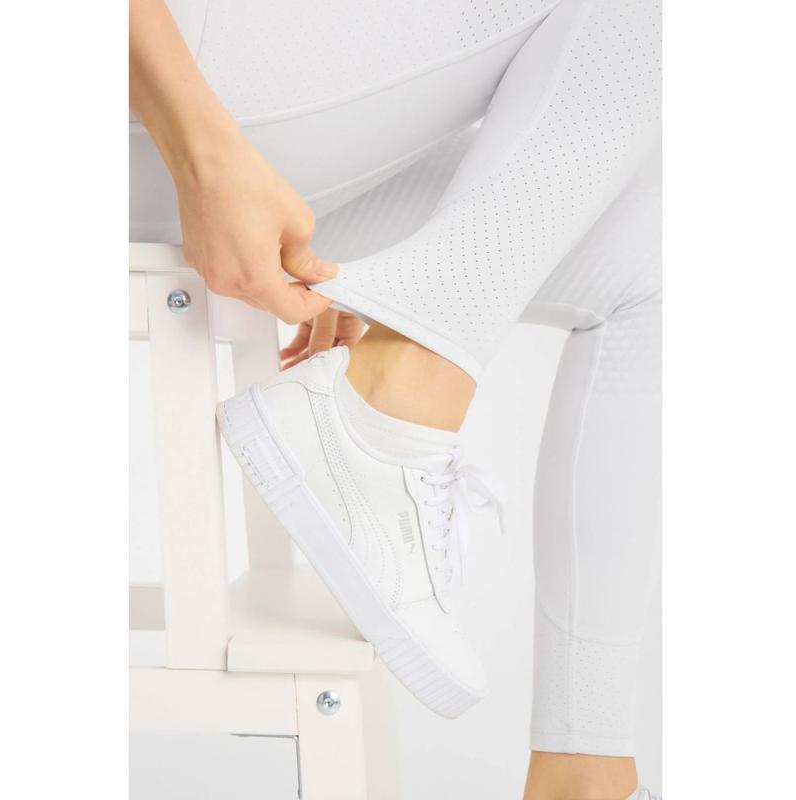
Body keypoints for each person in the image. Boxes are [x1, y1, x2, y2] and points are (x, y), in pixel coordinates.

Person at [129, 1, 661, 798]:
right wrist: (203, 154)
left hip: (240, 86)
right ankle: (387, 412)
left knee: (657, 252)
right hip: (144, 88)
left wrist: (423, 274)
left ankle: (583, 777)